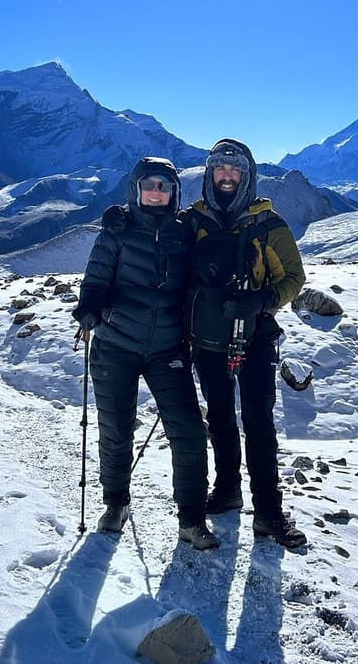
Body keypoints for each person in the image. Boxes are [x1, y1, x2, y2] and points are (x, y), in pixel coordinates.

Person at [71, 157, 219, 551]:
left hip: (167, 348)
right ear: (136, 190)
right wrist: (90, 308)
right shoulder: (116, 232)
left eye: (164, 186)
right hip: (115, 344)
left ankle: (192, 519)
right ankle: (115, 504)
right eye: (149, 185)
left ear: (174, 193)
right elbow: (96, 280)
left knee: (188, 432)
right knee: (116, 430)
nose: (156, 192)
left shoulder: (184, 234)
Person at [183, 138, 308, 548]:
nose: (227, 177)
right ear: (209, 174)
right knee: (219, 417)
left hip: (254, 336)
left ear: (247, 176)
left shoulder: (268, 225)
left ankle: (268, 512)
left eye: (235, 171)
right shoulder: (192, 221)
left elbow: (294, 277)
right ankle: (227, 491)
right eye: (220, 169)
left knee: (258, 422)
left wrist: (263, 301)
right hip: (207, 338)